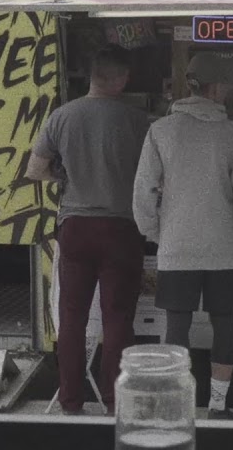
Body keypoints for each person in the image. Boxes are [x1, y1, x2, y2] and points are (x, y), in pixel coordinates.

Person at [132, 51, 233, 421]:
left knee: (177, 325)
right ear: (216, 87)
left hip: (177, 245)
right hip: (224, 249)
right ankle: (218, 406)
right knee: (224, 324)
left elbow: (144, 191)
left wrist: (157, 232)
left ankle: (175, 407)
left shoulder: (160, 130)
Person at [25, 45, 151, 416]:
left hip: (75, 227)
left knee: (72, 316)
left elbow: (35, 170)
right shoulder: (136, 120)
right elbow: (151, 178)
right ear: (123, 78)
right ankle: (115, 400)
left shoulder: (62, 116)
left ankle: (70, 400)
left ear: (92, 75)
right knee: (117, 317)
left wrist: (61, 178)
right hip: (121, 228)